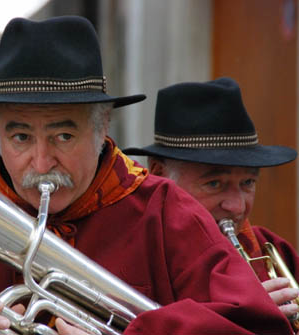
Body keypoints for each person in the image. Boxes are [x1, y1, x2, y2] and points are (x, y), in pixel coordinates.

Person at [0, 16, 294, 334]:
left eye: (63, 136)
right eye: (20, 137)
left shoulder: (166, 212)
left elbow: (253, 327)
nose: (41, 163)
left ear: (103, 130)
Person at [122, 77, 299, 328]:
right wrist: (231, 322)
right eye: (214, 183)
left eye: (248, 183)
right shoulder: (132, 256)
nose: (238, 207)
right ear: (159, 174)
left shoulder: (275, 251)